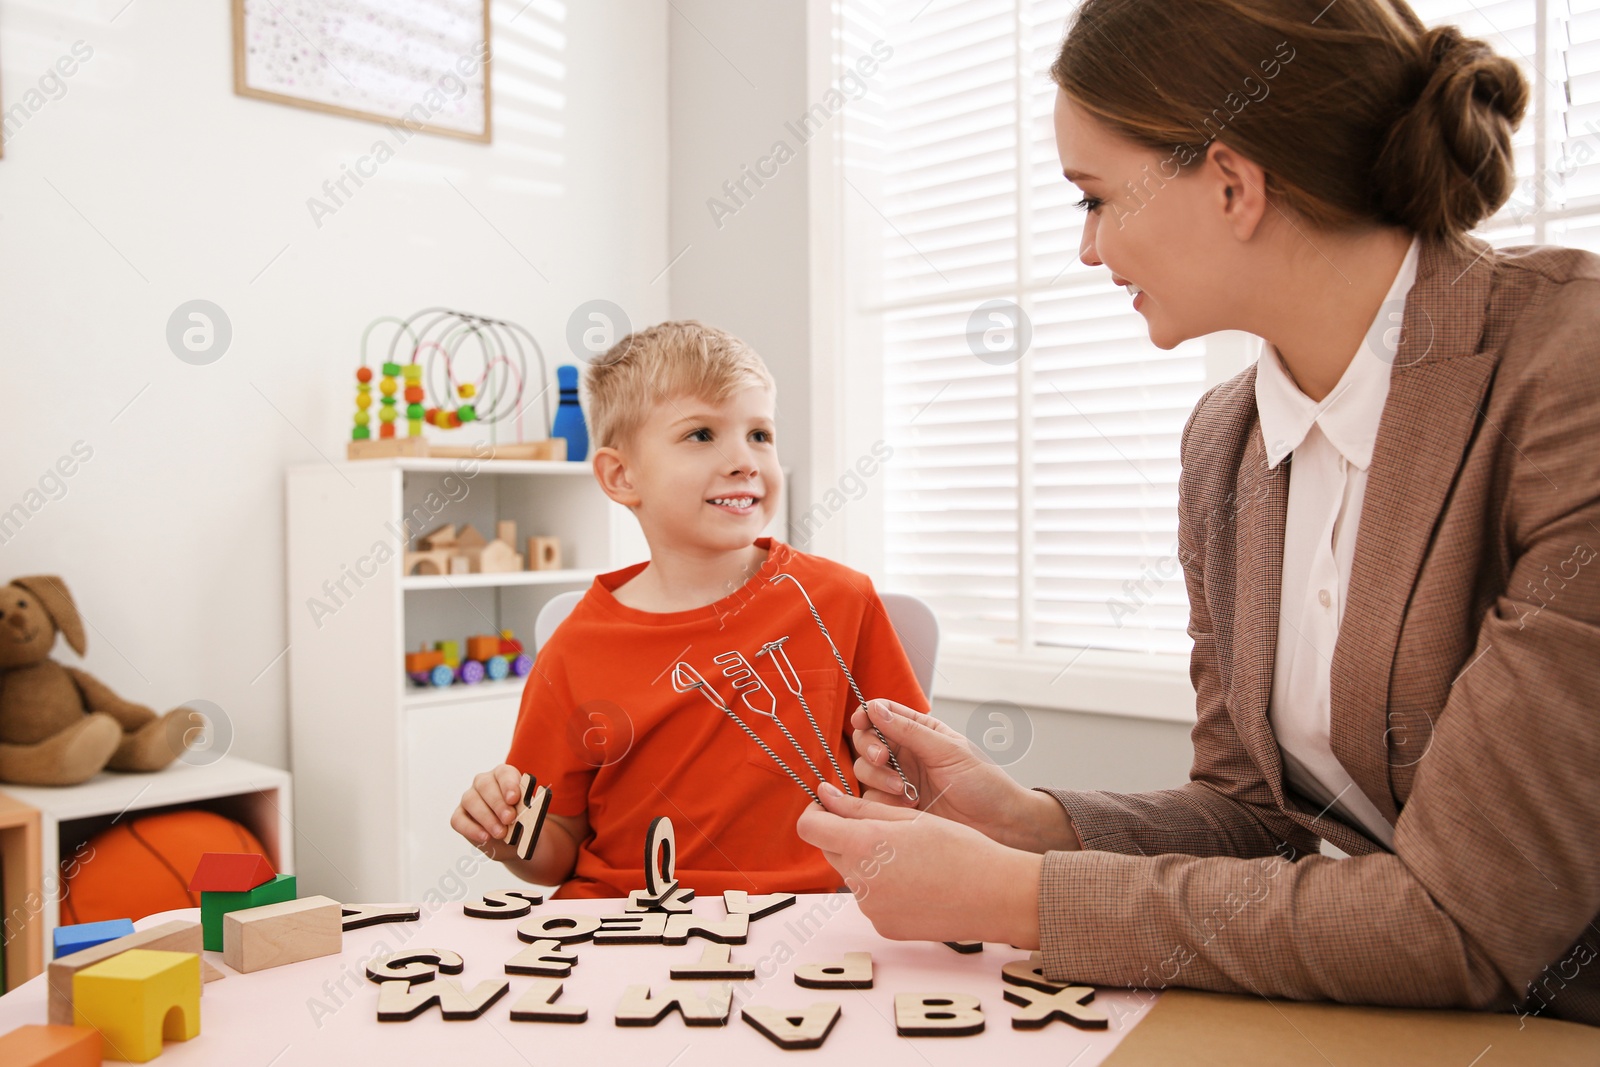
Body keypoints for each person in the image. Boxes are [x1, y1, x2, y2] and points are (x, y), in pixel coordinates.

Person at [797, 0, 1600, 1026]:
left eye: (1092, 197)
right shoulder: (1224, 445)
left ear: (1231, 183)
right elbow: (1255, 815)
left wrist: (1014, 895)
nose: (1086, 250)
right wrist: (1027, 823)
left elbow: (1469, 920)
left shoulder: (1566, 370)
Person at [451, 320, 929, 897]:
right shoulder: (575, 647)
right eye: (701, 435)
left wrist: (897, 788)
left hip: (811, 916)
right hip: (622, 922)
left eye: (760, 434)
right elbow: (554, 850)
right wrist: (508, 835)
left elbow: (917, 780)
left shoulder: (840, 600)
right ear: (621, 476)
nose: (744, 460)